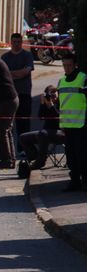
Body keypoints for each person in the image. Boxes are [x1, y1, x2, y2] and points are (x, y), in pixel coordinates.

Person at [57, 54, 87, 191]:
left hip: (82, 125)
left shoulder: (83, 79)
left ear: (75, 65)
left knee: (82, 156)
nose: (67, 68)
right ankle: (74, 181)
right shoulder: (61, 81)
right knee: (71, 157)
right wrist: (61, 125)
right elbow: (61, 105)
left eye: (69, 65)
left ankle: (85, 181)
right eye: (64, 65)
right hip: (68, 126)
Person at [1, 33, 35, 154]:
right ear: (11, 42)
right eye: (14, 42)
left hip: (24, 93)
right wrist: (15, 74)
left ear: (22, 42)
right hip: (9, 95)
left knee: (23, 123)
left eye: (18, 42)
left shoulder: (27, 56)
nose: (16, 44)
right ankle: (10, 151)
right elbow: (2, 75)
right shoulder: (5, 57)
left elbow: (25, 72)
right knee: (7, 125)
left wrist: (10, 74)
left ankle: (24, 149)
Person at [19, 85, 62, 169]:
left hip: (60, 132)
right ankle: (34, 159)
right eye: (50, 95)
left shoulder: (62, 103)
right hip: (45, 133)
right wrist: (43, 103)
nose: (52, 97)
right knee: (23, 137)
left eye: (54, 94)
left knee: (43, 133)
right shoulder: (46, 103)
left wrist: (52, 106)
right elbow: (41, 116)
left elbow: (59, 119)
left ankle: (40, 161)